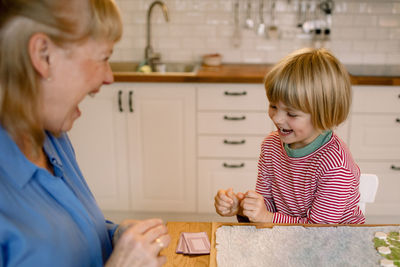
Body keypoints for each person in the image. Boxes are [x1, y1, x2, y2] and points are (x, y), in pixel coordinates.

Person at [0, 0, 170, 266]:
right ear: (43, 55)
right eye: (104, 58)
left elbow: (69, 234)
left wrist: (114, 235)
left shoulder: (53, 141)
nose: (109, 77)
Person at [214, 48, 365, 225]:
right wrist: (243, 208)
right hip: (286, 238)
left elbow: (319, 232)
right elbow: (267, 207)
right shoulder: (271, 146)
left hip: (336, 244)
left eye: (291, 114)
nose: (277, 119)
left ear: (324, 114)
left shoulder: (335, 166)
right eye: (273, 106)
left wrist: (267, 217)